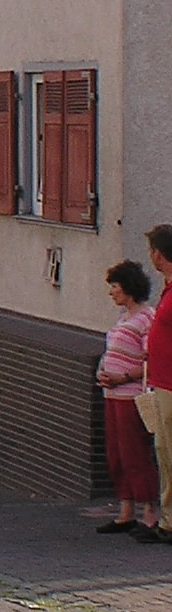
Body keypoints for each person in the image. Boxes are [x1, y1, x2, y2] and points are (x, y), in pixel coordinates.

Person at [96, 261, 157, 533]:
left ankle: (149, 512)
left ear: (129, 288)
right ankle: (125, 509)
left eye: (115, 286)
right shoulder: (123, 317)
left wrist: (124, 377)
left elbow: (152, 360)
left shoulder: (146, 318)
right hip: (112, 395)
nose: (111, 293)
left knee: (135, 452)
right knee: (116, 453)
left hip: (131, 397)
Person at [135, 226, 172, 545]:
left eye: (151, 251)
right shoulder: (167, 289)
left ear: (159, 254)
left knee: (170, 451)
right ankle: (169, 518)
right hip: (161, 381)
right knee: (163, 449)